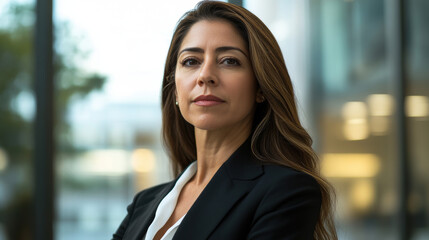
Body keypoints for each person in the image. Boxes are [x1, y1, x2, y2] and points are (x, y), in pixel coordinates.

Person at [113, 1, 337, 239]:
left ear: (260, 87)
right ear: (175, 89)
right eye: (191, 61)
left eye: (229, 61)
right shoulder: (144, 203)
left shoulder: (287, 192)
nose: (205, 75)